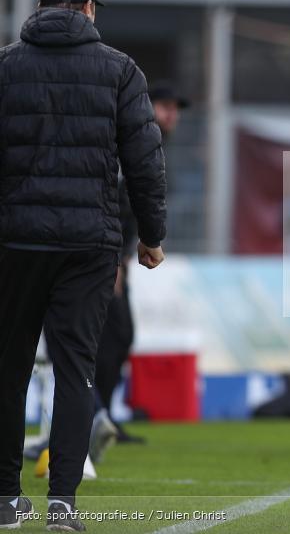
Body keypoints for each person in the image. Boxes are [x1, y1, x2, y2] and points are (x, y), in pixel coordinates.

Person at [0, 0, 166, 531]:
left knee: (10, 367)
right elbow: (144, 160)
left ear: (42, 6)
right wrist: (151, 235)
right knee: (76, 370)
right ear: (89, 9)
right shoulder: (120, 70)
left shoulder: (5, 66)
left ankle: (4, 498)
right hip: (88, 244)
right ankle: (63, 505)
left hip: (14, 241)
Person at [89, 81, 189, 460]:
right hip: (101, 252)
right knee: (104, 339)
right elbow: (112, 199)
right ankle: (92, 419)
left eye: (174, 109)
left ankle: (104, 417)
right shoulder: (128, 140)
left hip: (117, 254)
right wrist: (113, 259)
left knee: (119, 337)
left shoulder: (153, 145)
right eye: (164, 106)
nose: (171, 115)